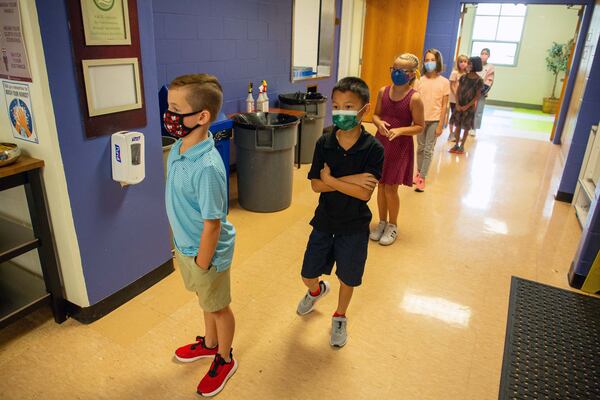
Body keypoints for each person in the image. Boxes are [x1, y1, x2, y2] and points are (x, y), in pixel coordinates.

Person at [163, 74, 237, 397]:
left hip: (207, 252)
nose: (169, 115)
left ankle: (225, 357)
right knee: (205, 299)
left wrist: (202, 261)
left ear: (202, 117)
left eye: (176, 108)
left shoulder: (207, 166)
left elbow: (213, 224)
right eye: (168, 106)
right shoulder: (179, 147)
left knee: (219, 306)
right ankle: (209, 344)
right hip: (187, 247)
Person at [296, 77, 384, 348]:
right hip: (324, 221)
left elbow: (364, 193)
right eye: (336, 106)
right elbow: (315, 185)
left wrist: (332, 182)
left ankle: (340, 315)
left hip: (355, 226)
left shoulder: (373, 148)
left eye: (348, 106)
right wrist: (354, 179)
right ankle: (317, 290)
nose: (341, 112)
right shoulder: (324, 142)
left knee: (348, 277)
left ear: (364, 110)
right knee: (307, 274)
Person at [370, 54, 425, 244]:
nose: (395, 73)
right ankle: (382, 222)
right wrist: (379, 123)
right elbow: (375, 115)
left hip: (400, 146)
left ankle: (393, 225)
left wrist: (400, 130)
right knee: (381, 185)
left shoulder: (414, 98)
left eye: (400, 70)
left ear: (411, 74)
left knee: (391, 188)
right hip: (381, 143)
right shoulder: (382, 91)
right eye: (393, 69)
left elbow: (419, 126)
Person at [413, 48, 450, 192]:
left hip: (434, 121)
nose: (429, 63)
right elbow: (415, 102)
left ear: (438, 62)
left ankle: (422, 177)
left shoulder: (444, 82)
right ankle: (418, 172)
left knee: (428, 149)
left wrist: (441, 124)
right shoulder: (419, 81)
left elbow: (444, 105)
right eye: (427, 60)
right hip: (420, 120)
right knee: (420, 148)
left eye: (432, 60)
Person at [449, 57, 484, 154]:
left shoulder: (479, 80)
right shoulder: (463, 77)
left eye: (470, 63)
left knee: (466, 127)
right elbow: (458, 91)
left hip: (469, 108)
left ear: (476, 65)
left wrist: (467, 106)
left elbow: (477, 96)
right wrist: (457, 104)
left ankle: (462, 146)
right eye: (468, 63)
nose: (468, 65)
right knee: (458, 126)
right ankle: (456, 144)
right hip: (459, 106)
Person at [471, 48, 495, 136]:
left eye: (485, 54)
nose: (483, 55)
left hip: (481, 93)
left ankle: (474, 128)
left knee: (478, 111)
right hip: (471, 92)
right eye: (482, 53)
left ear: (489, 56)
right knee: (470, 110)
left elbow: (489, 81)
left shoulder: (490, 67)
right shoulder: (475, 64)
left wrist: (481, 91)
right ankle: (467, 127)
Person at [448, 54, 469, 141]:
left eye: (465, 62)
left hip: (463, 99)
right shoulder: (455, 73)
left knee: (460, 117)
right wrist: (456, 95)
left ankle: (456, 134)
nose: (463, 63)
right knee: (454, 115)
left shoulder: (467, 74)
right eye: (461, 61)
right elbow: (452, 85)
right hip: (454, 99)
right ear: (458, 63)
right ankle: (451, 134)